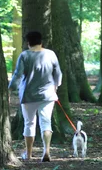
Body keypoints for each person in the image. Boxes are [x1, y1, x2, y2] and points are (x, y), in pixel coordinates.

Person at [8, 31, 62, 162]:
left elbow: (17, 74)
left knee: (29, 123)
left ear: (28, 43)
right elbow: (58, 74)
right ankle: (46, 151)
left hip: (28, 94)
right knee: (46, 122)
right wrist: (56, 86)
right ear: (41, 41)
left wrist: (10, 89)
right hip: (48, 94)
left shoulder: (24, 55)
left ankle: (29, 153)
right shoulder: (51, 54)